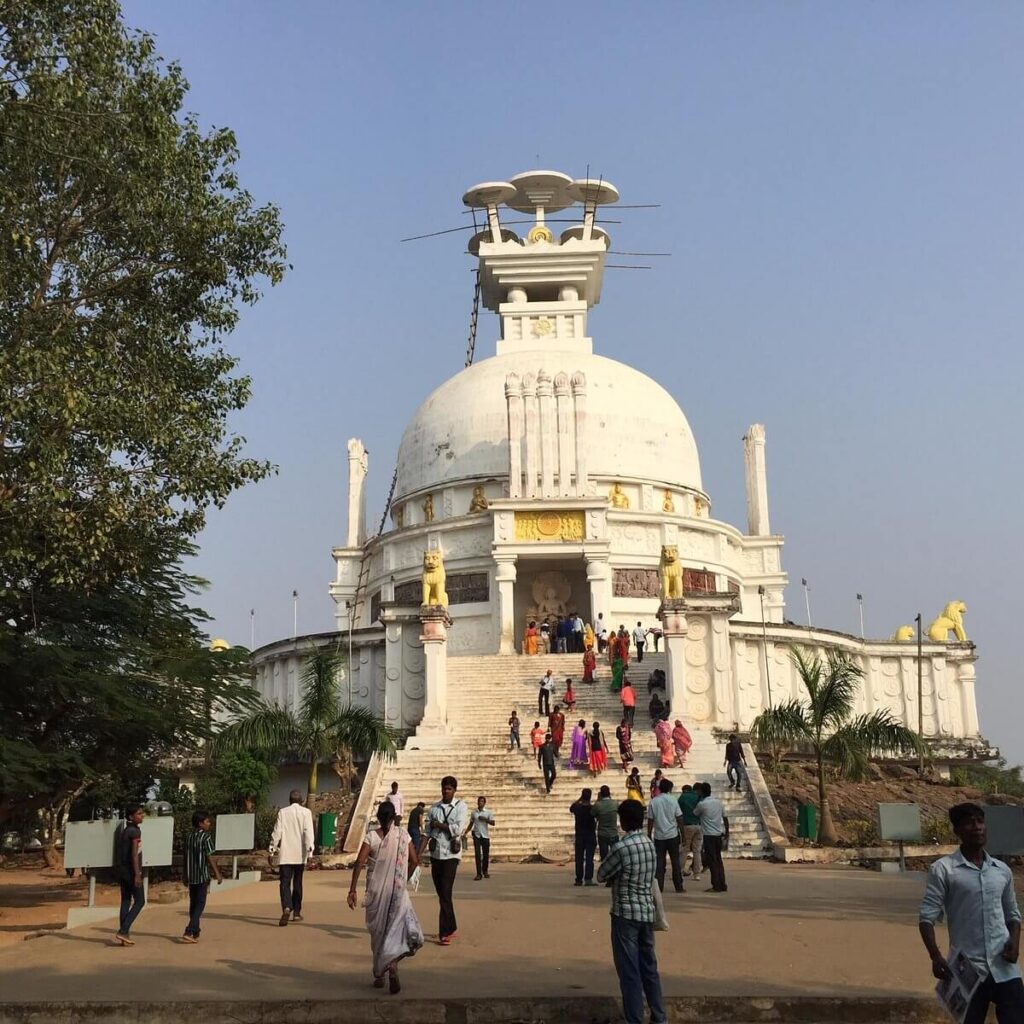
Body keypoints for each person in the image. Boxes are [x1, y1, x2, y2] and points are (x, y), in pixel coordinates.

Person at [919, 802, 1023, 1023]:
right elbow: (926, 918)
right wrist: (935, 956)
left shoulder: (1001, 870)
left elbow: (1012, 914)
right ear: (957, 831)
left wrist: (1015, 942)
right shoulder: (943, 869)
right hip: (967, 970)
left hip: (1004, 966)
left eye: (980, 821)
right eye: (969, 823)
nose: (977, 827)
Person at [597, 799, 667, 1024]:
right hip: (646, 912)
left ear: (623, 821)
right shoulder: (649, 844)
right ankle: (659, 1017)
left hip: (625, 914)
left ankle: (635, 1018)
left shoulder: (622, 847)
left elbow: (601, 874)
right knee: (649, 968)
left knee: (629, 971)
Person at [347, 801, 423, 993]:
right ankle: (393, 965)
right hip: (397, 894)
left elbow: (359, 862)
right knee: (400, 933)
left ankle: (380, 973)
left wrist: (352, 890)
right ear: (394, 817)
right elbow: (415, 860)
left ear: (379, 818)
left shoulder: (371, 837)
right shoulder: (403, 836)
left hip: (376, 895)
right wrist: (402, 879)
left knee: (379, 936)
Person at [425, 775, 468, 946]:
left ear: (454, 790)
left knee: (445, 891)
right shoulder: (434, 808)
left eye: (449, 788)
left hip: (451, 855)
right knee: (441, 893)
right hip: (436, 854)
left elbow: (457, 829)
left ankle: (444, 932)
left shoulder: (461, 806)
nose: (446, 791)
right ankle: (452, 925)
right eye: (444, 788)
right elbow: (427, 831)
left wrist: (439, 825)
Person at [270, 789, 315, 926]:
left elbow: (277, 832)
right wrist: (310, 852)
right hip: (299, 855)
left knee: (284, 883)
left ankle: (287, 907)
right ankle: (296, 913)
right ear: (301, 801)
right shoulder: (306, 813)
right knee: (297, 883)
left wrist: (272, 850)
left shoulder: (283, 812)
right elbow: (308, 833)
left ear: (289, 801)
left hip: (286, 855)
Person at [181, 810, 223, 943]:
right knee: (200, 903)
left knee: (193, 904)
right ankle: (189, 930)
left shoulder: (189, 837)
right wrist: (217, 873)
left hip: (191, 875)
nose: (209, 823)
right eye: (207, 821)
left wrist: (184, 874)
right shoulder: (206, 837)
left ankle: (195, 930)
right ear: (200, 823)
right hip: (201, 875)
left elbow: (185, 857)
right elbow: (209, 856)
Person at [646, 779, 685, 893]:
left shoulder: (654, 801)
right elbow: (679, 818)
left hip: (659, 836)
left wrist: (649, 833)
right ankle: (679, 886)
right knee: (675, 861)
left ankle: (659, 887)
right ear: (669, 788)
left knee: (659, 862)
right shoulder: (673, 800)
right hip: (672, 835)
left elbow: (650, 820)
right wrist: (683, 834)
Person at [114, 805, 145, 945]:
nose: (142, 815)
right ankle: (123, 930)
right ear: (131, 817)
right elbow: (134, 854)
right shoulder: (135, 832)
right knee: (140, 901)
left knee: (126, 901)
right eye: (139, 814)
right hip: (131, 871)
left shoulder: (126, 831)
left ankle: (124, 934)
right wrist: (137, 874)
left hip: (122, 870)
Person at [694, 782, 728, 893]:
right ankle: (722, 883)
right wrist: (727, 832)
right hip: (718, 834)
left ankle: (716, 885)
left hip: (709, 835)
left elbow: (695, 813)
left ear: (701, 792)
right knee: (718, 860)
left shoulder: (702, 804)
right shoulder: (718, 802)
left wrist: (698, 799)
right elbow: (725, 818)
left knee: (712, 861)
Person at [570, 788, 599, 886]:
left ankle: (578, 879)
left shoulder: (577, 808)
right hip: (590, 835)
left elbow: (571, 807)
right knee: (589, 858)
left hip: (580, 835)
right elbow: (598, 812)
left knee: (579, 858)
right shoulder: (592, 809)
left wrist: (580, 799)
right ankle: (588, 879)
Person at [677, 784, 703, 881]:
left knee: (685, 849)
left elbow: (677, 811)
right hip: (698, 825)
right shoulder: (699, 797)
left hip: (687, 825)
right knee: (697, 851)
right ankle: (697, 874)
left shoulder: (683, 797)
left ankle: (679, 871)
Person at [469, 796, 495, 881]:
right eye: (479, 801)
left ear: (484, 803)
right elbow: (471, 823)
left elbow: (493, 823)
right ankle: (478, 873)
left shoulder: (488, 812)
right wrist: (465, 832)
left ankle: (485, 870)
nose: (480, 803)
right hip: (476, 835)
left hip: (485, 835)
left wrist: (485, 819)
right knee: (477, 854)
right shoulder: (474, 813)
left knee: (485, 854)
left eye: (482, 801)